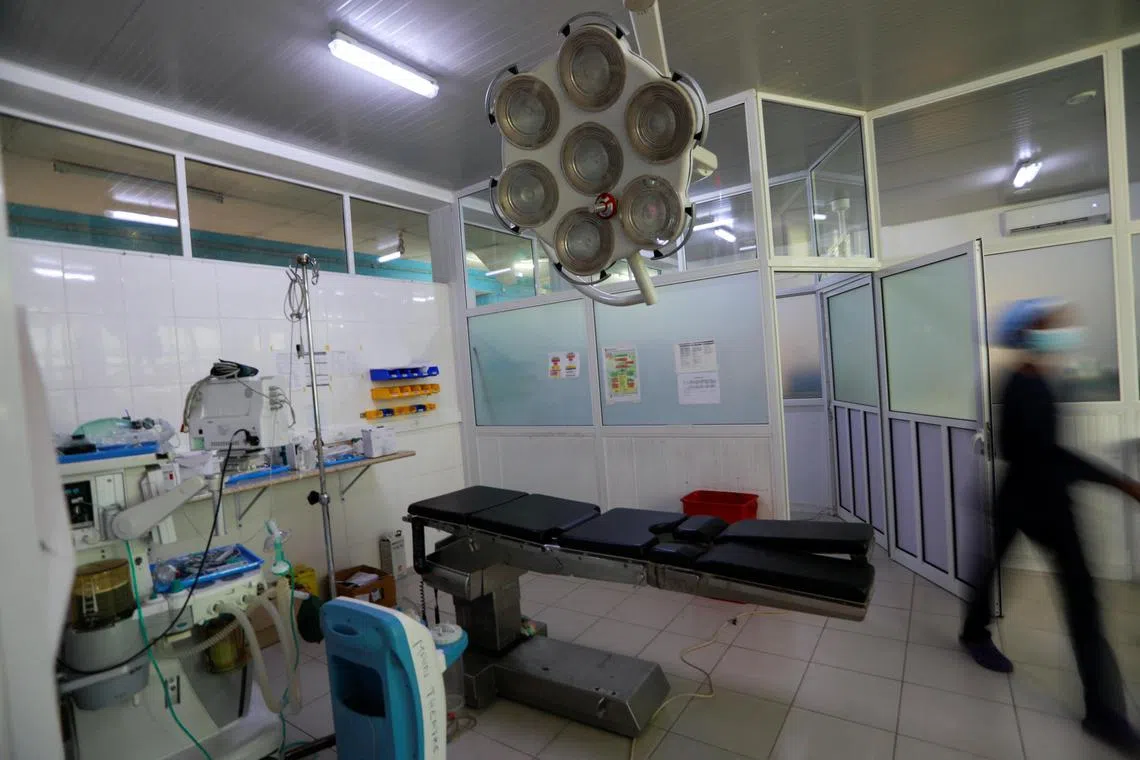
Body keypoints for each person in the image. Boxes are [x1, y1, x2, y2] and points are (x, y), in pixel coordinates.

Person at [960, 298, 1140, 755]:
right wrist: (1117, 481)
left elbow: (1042, 452)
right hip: (1027, 500)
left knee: (1081, 602)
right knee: (1004, 570)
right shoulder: (1021, 385)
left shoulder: (1042, 379)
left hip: (1045, 499)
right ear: (1025, 334)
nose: (1061, 328)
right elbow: (1039, 453)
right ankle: (974, 633)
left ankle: (1102, 712)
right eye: (1048, 324)